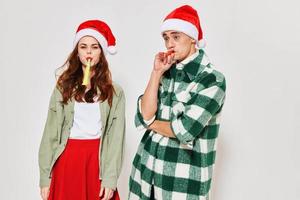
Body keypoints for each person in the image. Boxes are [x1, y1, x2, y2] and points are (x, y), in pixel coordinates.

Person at [128, 5, 226, 200]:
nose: (169, 43)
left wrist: (150, 123)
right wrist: (156, 73)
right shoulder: (166, 71)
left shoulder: (212, 79)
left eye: (176, 36)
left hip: (182, 182)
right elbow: (145, 113)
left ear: (192, 38)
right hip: (145, 174)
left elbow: (184, 129)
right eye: (165, 38)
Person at [38, 19, 125, 200]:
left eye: (94, 47)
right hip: (68, 160)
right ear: (77, 52)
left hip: (96, 161)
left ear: (101, 52)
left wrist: (110, 179)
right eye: (83, 47)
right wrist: (45, 178)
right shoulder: (63, 87)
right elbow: (50, 133)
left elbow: (116, 138)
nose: (89, 52)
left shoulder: (115, 92)